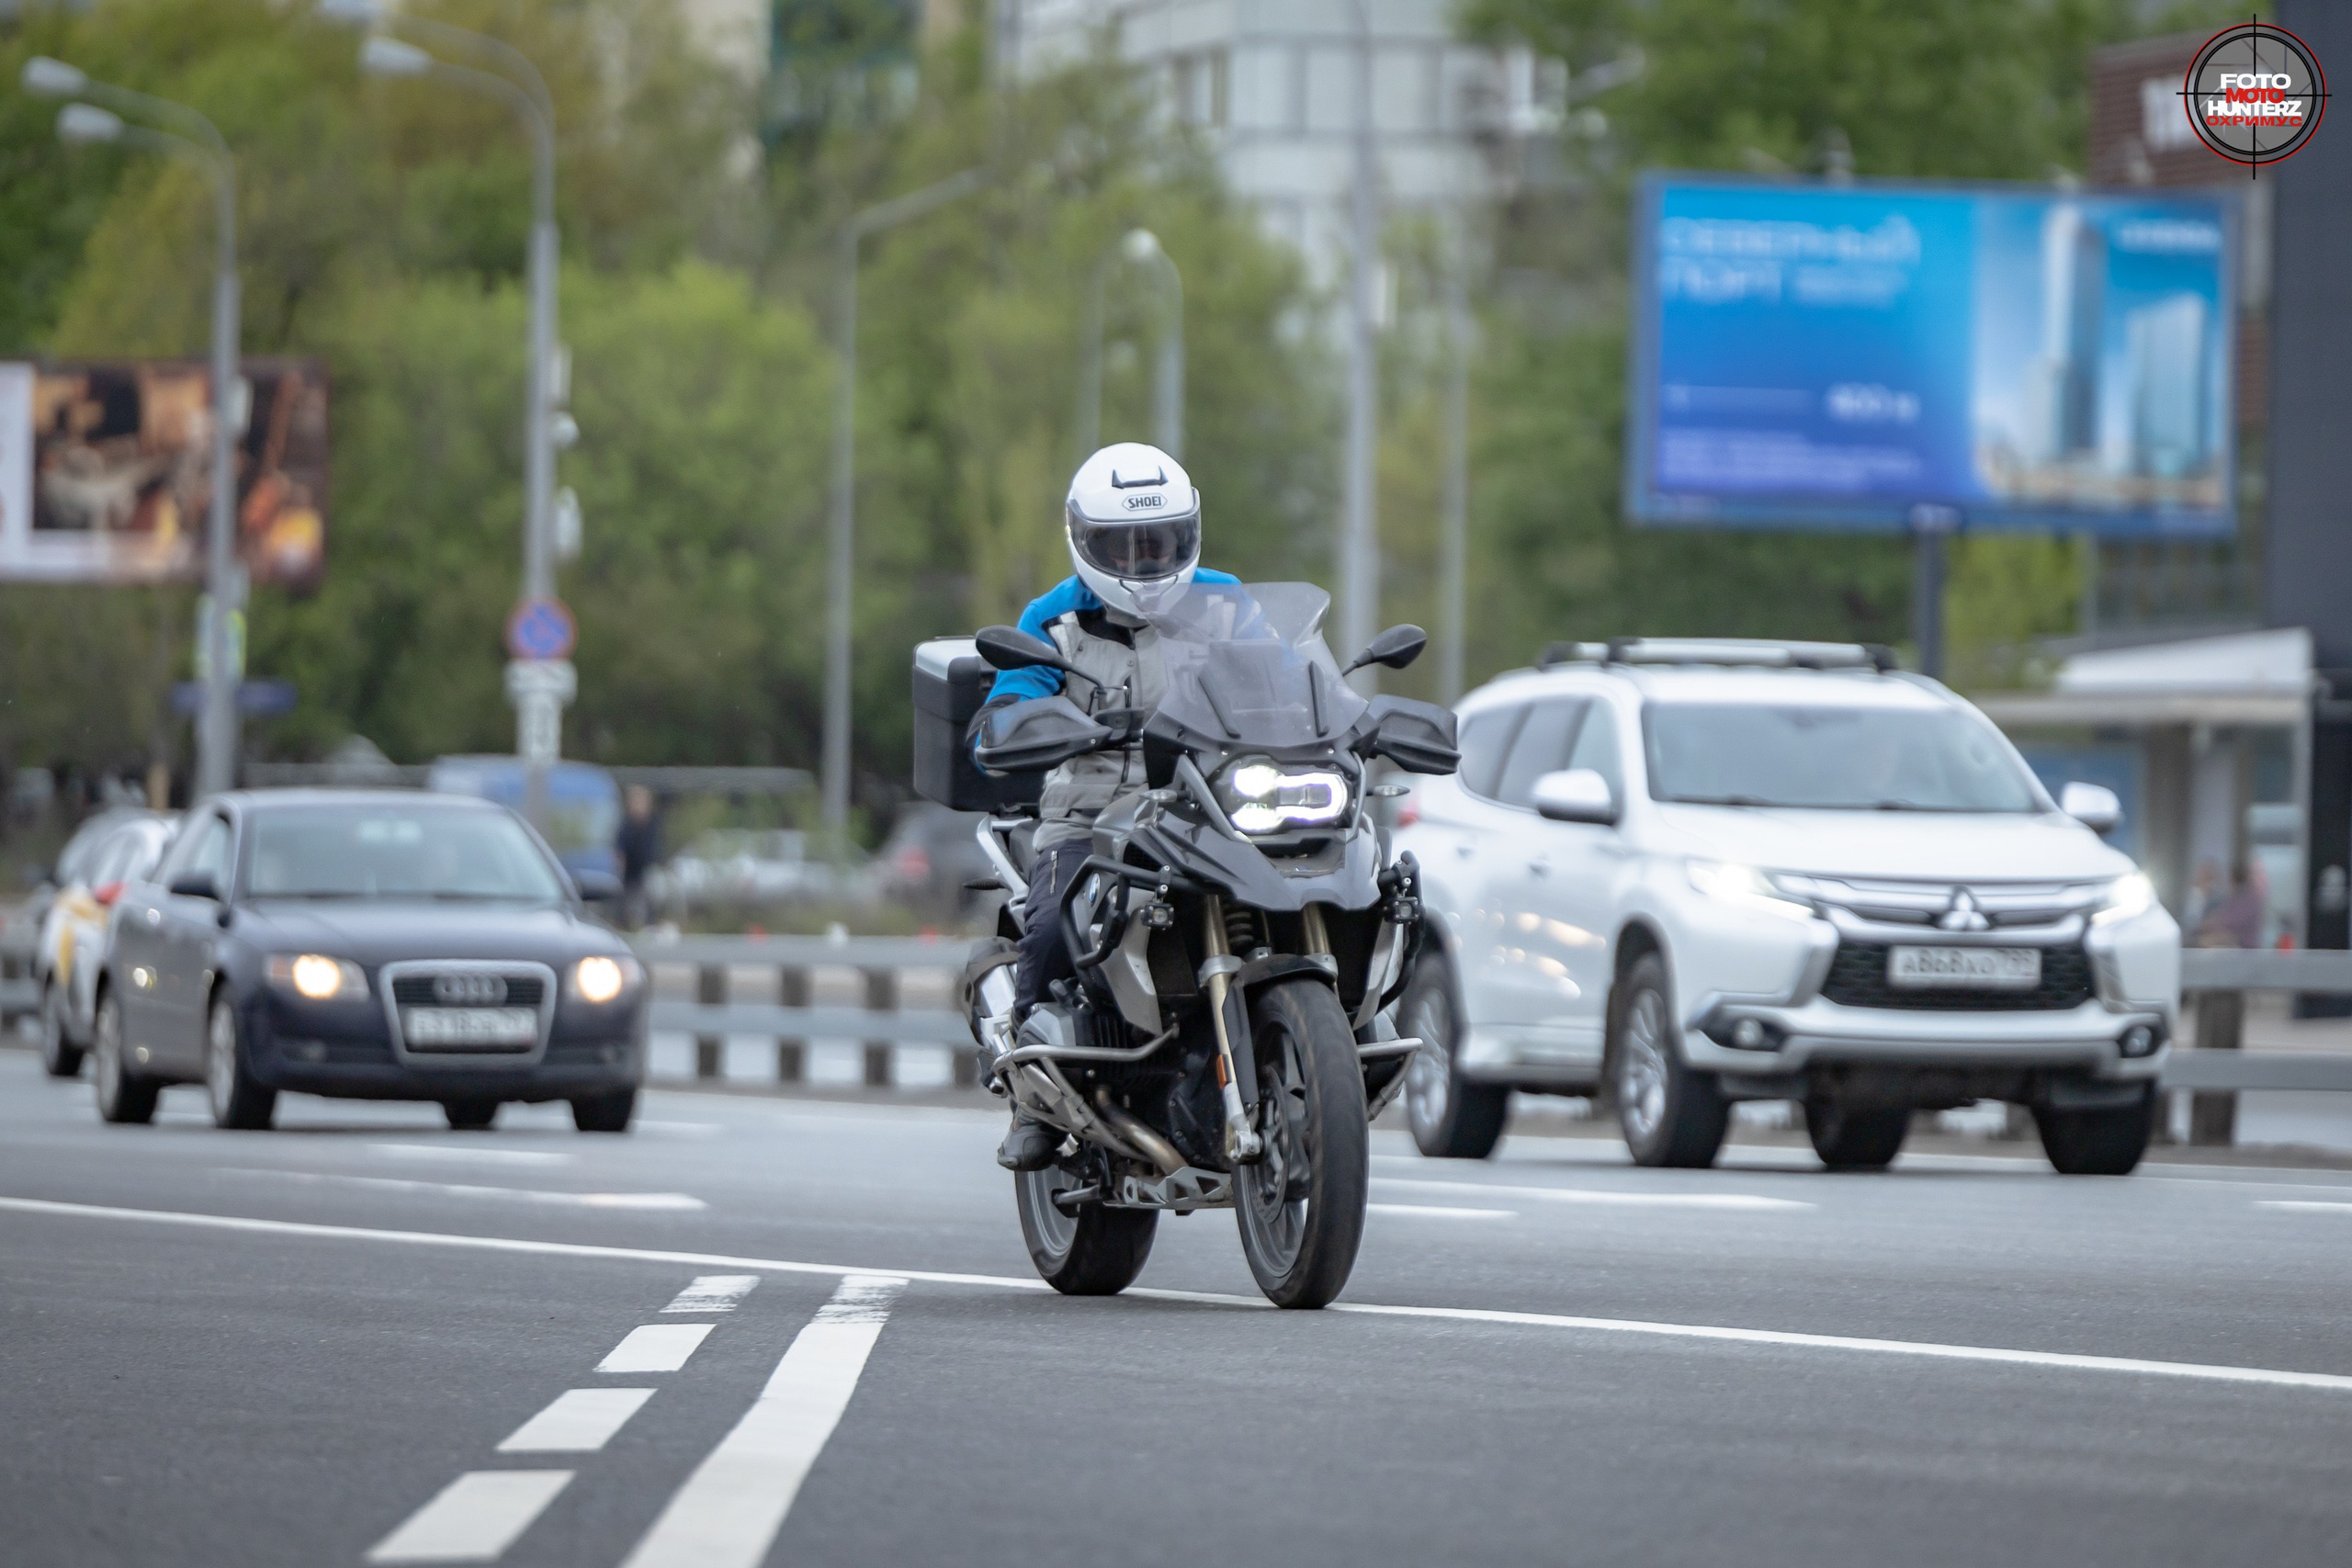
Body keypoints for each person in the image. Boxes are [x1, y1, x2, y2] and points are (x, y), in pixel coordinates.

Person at [969, 442, 1235, 1170]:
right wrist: (1021, 725)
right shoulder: (1052, 617)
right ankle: (1031, 1090)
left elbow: (1289, 671)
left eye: (1161, 543)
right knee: (1056, 921)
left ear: (1188, 533)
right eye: (1126, 545)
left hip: (1208, 808)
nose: (1145, 560)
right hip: (1090, 812)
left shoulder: (1226, 602)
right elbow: (1008, 704)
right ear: (1087, 540)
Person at [615, 785, 662, 931]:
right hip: (630, 872)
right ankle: (627, 925)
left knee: (648, 897)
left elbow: (655, 847)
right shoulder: (626, 824)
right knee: (628, 901)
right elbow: (620, 847)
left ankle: (648, 925)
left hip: (647, 869)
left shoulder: (652, 823)